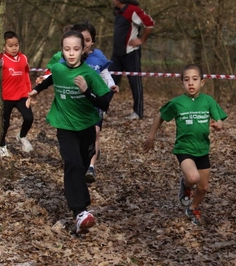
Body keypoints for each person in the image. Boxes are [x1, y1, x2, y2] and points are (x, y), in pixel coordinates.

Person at [28, 30, 111, 234]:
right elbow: (51, 78)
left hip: (86, 127)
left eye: (75, 49)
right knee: (72, 164)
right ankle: (80, 212)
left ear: (83, 50)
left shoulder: (90, 74)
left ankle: (81, 205)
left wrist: (86, 91)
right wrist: (36, 91)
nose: (71, 53)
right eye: (67, 49)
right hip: (64, 126)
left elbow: (105, 102)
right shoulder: (58, 68)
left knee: (82, 165)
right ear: (62, 51)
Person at [143, 64, 228, 225]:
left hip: (202, 149)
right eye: (187, 80)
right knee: (193, 177)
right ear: (181, 82)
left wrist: (218, 125)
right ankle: (185, 184)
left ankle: (192, 208)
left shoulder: (208, 101)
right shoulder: (177, 102)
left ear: (202, 82)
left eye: (195, 79)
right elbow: (160, 115)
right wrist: (151, 136)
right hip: (184, 148)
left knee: (203, 188)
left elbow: (219, 120)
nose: (191, 83)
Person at [71, 22, 119, 183]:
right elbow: (57, 71)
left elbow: (105, 73)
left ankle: (91, 167)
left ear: (92, 41)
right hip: (76, 103)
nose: (84, 43)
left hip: (94, 101)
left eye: (87, 39)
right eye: (81, 39)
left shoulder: (98, 56)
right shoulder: (70, 55)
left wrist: (111, 84)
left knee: (95, 132)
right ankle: (78, 161)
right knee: (78, 136)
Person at [110, 0, 154, 120]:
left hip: (131, 52)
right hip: (116, 53)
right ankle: (102, 109)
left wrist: (141, 40)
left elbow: (149, 23)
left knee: (135, 82)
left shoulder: (133, 9)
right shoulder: (118, 11)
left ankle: (138, 112)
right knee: (109, 80)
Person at [0, 31, 34, 158]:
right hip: (6, 97)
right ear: (4, 46)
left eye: (16, 45)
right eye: (10, 45)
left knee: (29, 118)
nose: (14, 48)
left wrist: (29, 94)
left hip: (22, 95)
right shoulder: (1, 59)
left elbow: (26, 75)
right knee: (4, 123)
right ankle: (2, 145)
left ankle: (22, 136)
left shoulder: (23, 58)